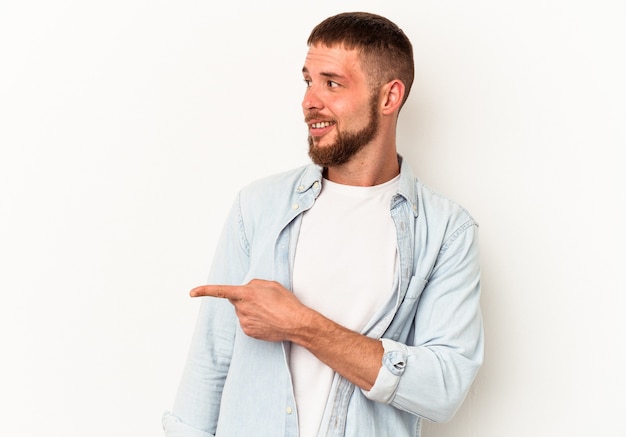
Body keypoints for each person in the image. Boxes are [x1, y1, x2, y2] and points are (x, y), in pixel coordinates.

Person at [162, 11, 483, 437]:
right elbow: (212, 360)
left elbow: (443, 387)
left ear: (389, 98)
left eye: (332, 83)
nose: (310, 101)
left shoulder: (445, 231)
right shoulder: (259, 208)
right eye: (307, 81)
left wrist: (301, 324)